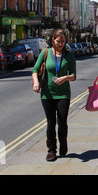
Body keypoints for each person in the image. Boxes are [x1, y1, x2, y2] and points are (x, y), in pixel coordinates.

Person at [32, 29, 76, 161]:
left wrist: (65, 78)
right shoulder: (45, 53)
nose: (61, 44)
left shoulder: (69, 56)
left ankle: (63, 142)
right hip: (47, 94)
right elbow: (35, 69)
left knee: (62, 121)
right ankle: (51, 150)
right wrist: (35, 82)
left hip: (63, 94)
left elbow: (74, 75)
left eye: (63, 41)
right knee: (50, 122)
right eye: (58, 41)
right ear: (53, 40)